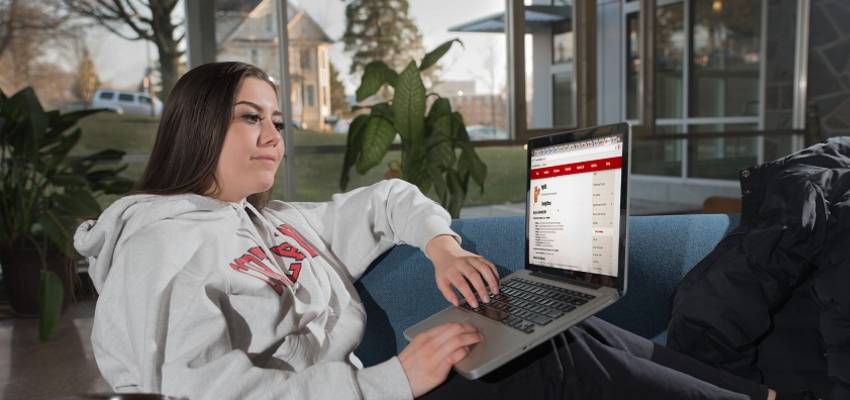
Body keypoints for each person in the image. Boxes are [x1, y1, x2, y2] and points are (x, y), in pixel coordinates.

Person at [74, 62, 786, 400]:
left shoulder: (275, 221)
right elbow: (195, 393)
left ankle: (757, 392)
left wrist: (443, 247)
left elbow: (389, 199)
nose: (273, 138)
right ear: (198, 124)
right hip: (370, 395)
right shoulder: (159, 246)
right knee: (539, 361)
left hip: (374, 390)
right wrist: (392, 382)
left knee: (557, 328)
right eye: (249, 117)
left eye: (278, 121)